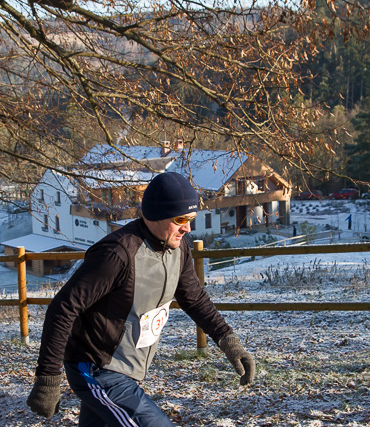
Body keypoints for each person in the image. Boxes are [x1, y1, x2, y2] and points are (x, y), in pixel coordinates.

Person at [27, 172, 255, 425]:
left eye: (192, 219)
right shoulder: (118, 253)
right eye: (180, 219)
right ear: (155, 215)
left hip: (129, 368)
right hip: (97, 368)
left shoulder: (178, 249)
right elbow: (63, 308)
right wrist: (48, 377)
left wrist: (229, 342)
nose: (187, 228)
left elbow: (195, 298)